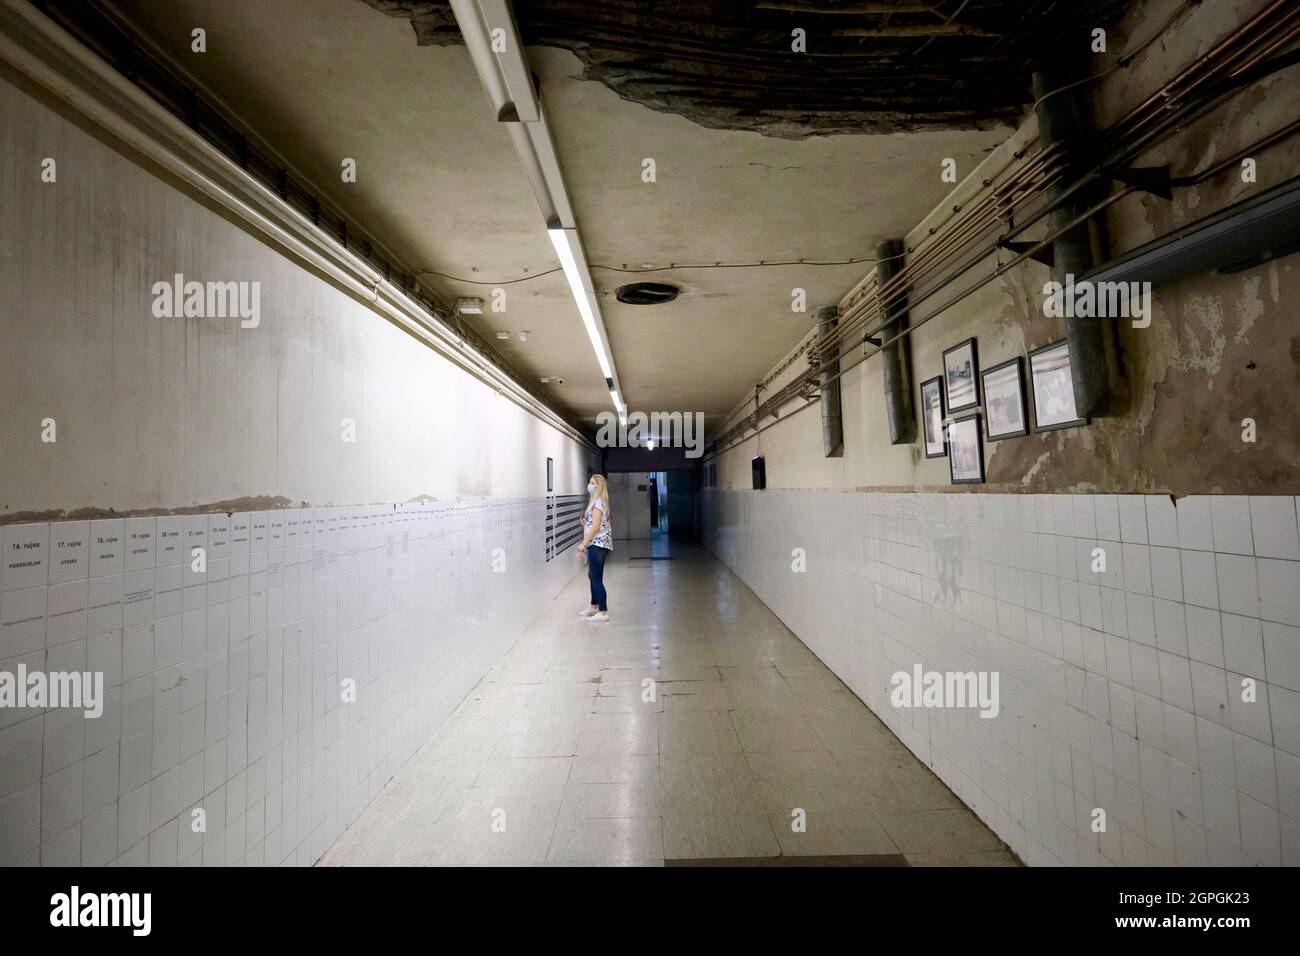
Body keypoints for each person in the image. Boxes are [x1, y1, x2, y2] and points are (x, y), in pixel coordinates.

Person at [578, 474, 613, 622]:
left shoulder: (598, 502)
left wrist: (583, 544)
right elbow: (595, 523)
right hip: (597, 543)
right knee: (592, 576)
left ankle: (603, 612)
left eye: (592, 483)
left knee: (596, 578)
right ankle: (594, 605)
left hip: (597, 544)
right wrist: (584, 523)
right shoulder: (597, 502)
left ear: (597, 486)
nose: (589, 485)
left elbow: (596, 526)